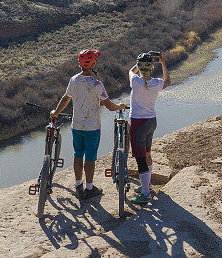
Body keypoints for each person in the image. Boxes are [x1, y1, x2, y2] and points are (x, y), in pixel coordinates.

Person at [51, 49, 126, 200]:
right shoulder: (97, 84)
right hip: (92, 127)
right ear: (93, 64)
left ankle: (78, 185)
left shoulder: (74, 80)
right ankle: (89, 188)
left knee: (78, 154)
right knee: (90, 158)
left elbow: (66, 98)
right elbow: (109, 106)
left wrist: (56, 112)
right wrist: (120, 106)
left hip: (76, 125)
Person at [128, 51, 170, 205]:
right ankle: (147, 185)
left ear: (140, 67)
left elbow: (131, 71)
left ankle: (145, 194)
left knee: (140, 160)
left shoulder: (135, 82)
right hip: (151, 121)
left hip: (138, 123)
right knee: (147, 154)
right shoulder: (156, 83)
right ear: (152, 67)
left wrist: (139, 64)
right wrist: (162, 62)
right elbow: (168, 81)